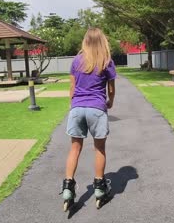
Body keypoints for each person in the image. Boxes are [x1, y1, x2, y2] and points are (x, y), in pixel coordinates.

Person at [61, 28, 116, 211]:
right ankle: (100, 188)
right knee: (99, 148)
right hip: (96, 108)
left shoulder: (76, 60)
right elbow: (111, 89)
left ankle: (68, 188)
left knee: (74, 148)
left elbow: (72, 87)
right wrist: (110, 102)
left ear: (85, 41)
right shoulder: (106, 61)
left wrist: (72, 106)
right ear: (102, 41)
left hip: (77, 108)